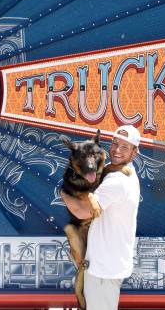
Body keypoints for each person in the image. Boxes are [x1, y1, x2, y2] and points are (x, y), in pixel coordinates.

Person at [60, 125, 141, 310]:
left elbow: (82, 212)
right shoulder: (119, 171)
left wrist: (63, 194)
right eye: (115, 143)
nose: (117, 150)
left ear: (134, 153)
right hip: (103, 263)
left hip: (104, 269)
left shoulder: (118, 180)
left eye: (125, 147)